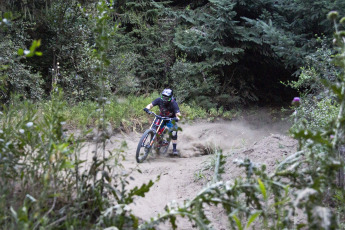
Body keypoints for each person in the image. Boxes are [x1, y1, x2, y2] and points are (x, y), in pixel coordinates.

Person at [144, 88, 181, 155]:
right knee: (154, 128)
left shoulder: (173, 103)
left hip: (170, 119)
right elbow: (150, 105)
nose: (164, 99)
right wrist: (147, 108)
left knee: (174, 131)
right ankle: (157, 142)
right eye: (163, 97)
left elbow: (178, 114)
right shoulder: (159, 100)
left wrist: (177, 118)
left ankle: (174, 149)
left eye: (166, 98)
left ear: (170, 98)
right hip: (161, 117)